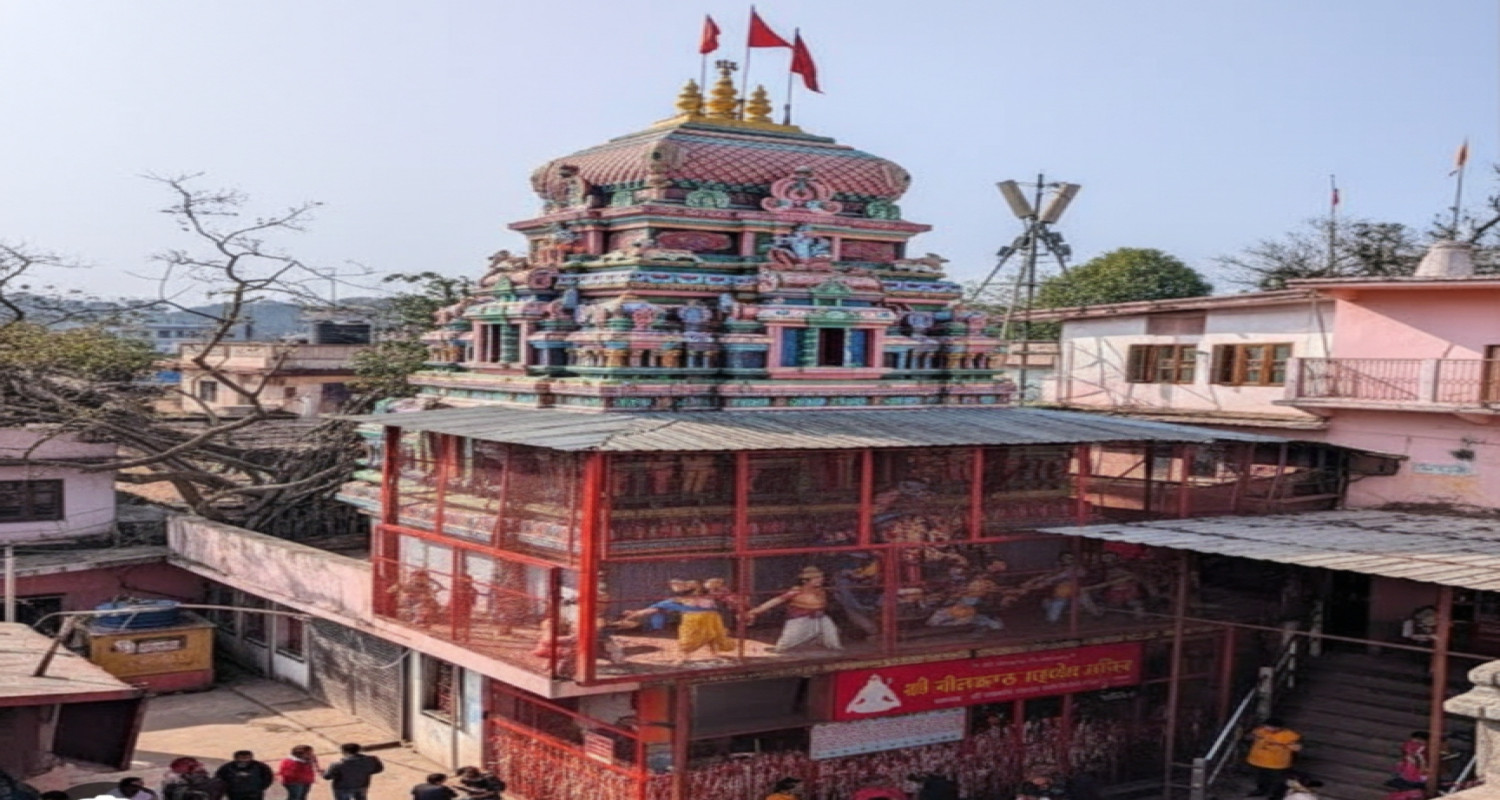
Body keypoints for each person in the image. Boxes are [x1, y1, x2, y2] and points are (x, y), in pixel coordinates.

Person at [746, 566, 843, 653]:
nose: (820, 580)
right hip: (800, 619)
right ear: (806, 581)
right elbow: (777, 600)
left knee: (831, 631)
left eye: (820, 578)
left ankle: (835, 647)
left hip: (820, 617)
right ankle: (780, 648)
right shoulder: (796, 591)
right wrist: (757, 611)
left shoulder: (821, 591)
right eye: (816, 578)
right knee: (789, 638)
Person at [1246, 718, 1303, 799]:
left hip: (1277, 763)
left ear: (1280, 727)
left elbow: (1297, 747)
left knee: (1278, 780)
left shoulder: (1288, 736)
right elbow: (1249, 737)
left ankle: (1276, 796)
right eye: (1267, 726)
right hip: (1259, 761)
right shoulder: (1259, 731)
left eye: (1272, 727)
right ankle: (1261, 790)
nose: (1269, 728)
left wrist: (1292, 746)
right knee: (1261, 777)